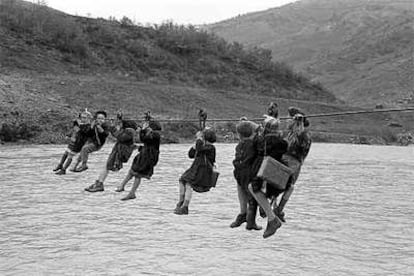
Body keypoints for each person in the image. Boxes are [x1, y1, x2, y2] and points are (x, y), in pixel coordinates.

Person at [248, 115, 288, 238]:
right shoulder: (282, 143)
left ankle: (272, 219)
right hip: (278, 175)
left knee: (253, 188)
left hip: (264, 173)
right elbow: (284, 145)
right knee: (268, 192)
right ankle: (273, 213)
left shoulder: (260, 140)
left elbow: (254, 144)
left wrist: (258, 130)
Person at [272, 107, 311, 222]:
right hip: (283, 162)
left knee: (288, 186)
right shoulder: (289, 134)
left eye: (289, 118)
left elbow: (300, 139)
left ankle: (279, 209)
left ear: (295, 121)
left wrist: (299, 123)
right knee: (275, 184)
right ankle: (274, 208)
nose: (287, 120)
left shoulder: (303, 135)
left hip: (293, 164)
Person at [84, 118, 138, 193]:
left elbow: (119, 137)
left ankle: (99, 184)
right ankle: (99, 183)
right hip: (117, 151)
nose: (120, 125)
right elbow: (117, 135)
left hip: (119, 152)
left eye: (121, 124)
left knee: (107, 167)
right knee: (106, 167)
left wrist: (113, 128)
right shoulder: (127, 131)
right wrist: (113, 128)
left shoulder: (129, 131)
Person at [115, 120, 162, 200]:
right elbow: (143, 139)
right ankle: (122, 186)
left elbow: (145, 139)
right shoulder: (151, 133)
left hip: (148, 157)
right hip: (144, 154)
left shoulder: (156, 134)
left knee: (138, 174)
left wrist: (143, 130)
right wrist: (142, 131)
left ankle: (132, 193)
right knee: (132, 170)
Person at [174, 128, 217, 215]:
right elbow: (191, 155)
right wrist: (195, 146)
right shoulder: (201, 146)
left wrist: (198, 139)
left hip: (203, 170)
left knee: (189, 184)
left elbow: (200, 148)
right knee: (182, 180)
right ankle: (181, 201)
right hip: (196, 168)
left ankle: (185, 206)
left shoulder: (211, 147)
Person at [230, 120, 263, 231]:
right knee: (252, 199)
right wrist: (256, 127)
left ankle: (244, 216)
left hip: (240, 173)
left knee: (245, 195)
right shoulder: (254, 143)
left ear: (239, 135)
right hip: (248, 174)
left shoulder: (240, 145)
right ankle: (250, 221)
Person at [53, 110, 92, 175]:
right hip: (73, 141)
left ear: (88, 119)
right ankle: (60, 164)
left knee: (70, 156)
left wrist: (78, 124)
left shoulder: (88, 126)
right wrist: (69, 135)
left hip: (79, 144)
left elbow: (82, 132)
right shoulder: (79, 124)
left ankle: (63, 170)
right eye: (82, 117)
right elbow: (74, 130)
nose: (82, 119)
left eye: (85, 118)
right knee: (66, 153)